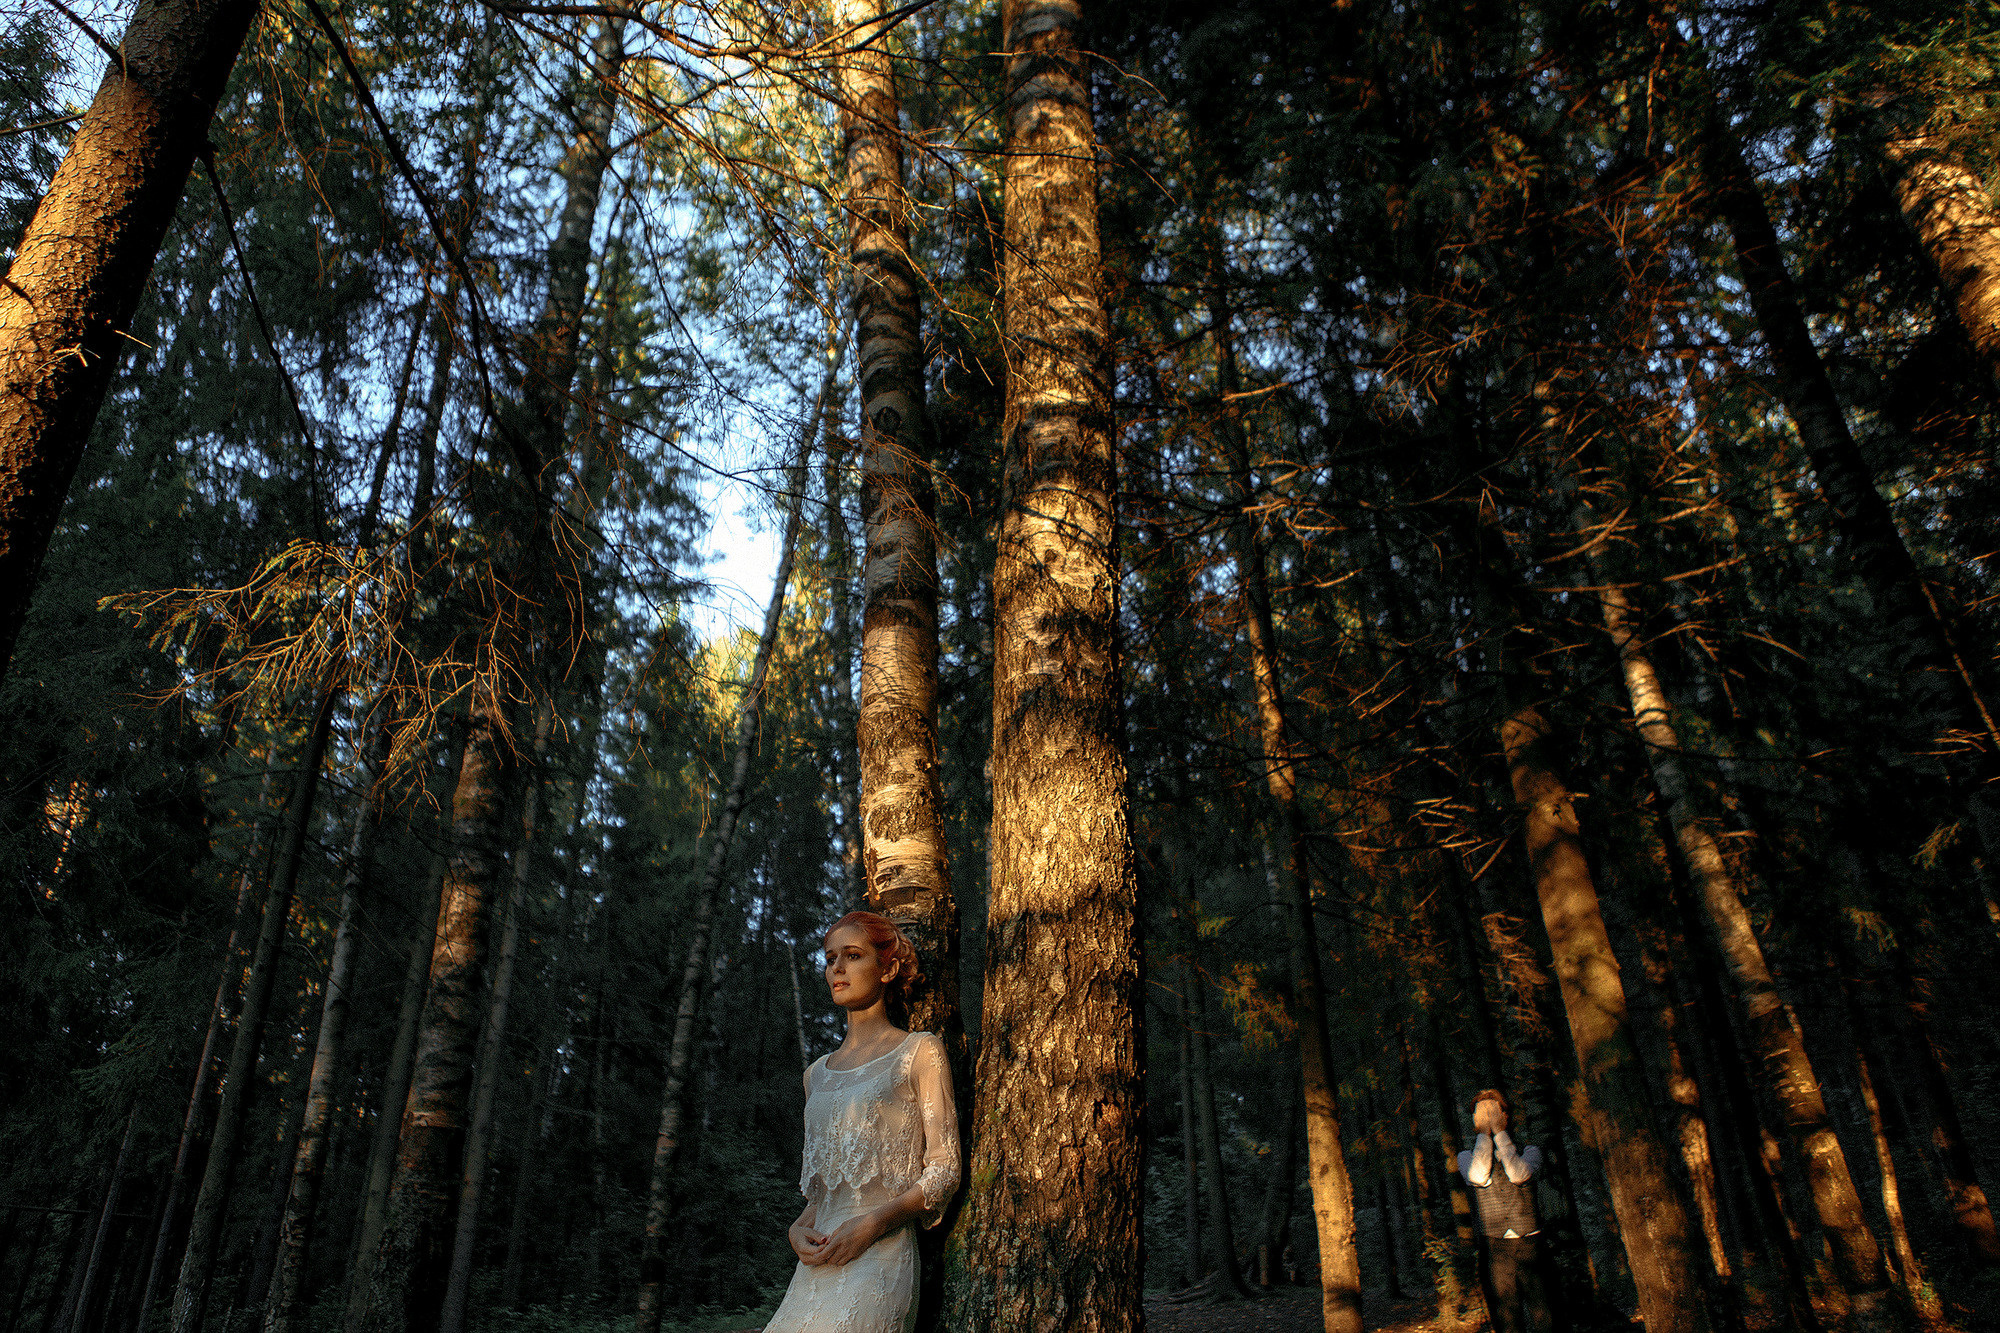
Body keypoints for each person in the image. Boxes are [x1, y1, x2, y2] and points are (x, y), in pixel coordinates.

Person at [764, 911, 960, 1333]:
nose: (837, 967)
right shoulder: (815, 1074)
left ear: (888, 968)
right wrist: (796, 1231)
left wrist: (874, 1222)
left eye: (853, 955)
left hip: (881, 1256)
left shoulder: (918, 1052)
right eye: (830, 958)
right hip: (818, 1263)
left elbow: (945, 1170)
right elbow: (831, 1190)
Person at [1456, 1089, 1553, 1333]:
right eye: (1481, 1112)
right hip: (1495, 1248)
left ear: (1505, 1115)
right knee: (1507, 1322)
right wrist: (1484, 1136)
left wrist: (1499, 1133)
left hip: (1532, 1243)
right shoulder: (1466, 1156)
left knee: (1546, 1317)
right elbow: (1478, 1176)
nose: (1488, 1116)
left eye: (1493, 1111)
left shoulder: (1529, 1151)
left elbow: (1518, 1174)